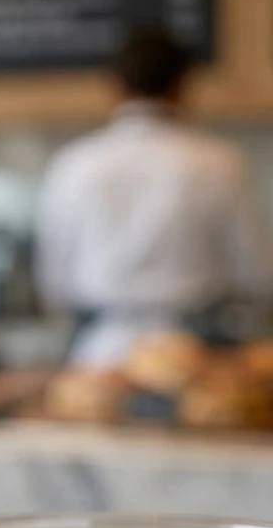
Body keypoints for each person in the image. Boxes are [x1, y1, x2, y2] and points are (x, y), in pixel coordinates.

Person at [36, 26, 272, 367]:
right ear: (182, 84)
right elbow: (257, 276)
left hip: (99, 355)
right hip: (196, 355)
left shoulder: (74, 165)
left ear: (114, 87)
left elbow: (53, 282)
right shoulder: (220, 163)